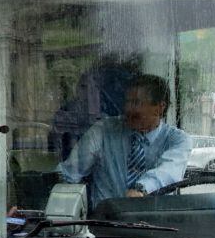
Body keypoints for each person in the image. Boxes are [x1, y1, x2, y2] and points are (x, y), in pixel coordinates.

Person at [58, 74, 191, 207]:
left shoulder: (177, 140)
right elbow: (70, 173)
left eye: (136, 103)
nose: (128, 109)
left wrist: (141, 190)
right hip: (105, 218)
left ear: (159, 108)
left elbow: (169, 171)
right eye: (127, 102)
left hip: (157, 219)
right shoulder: (103, 131)